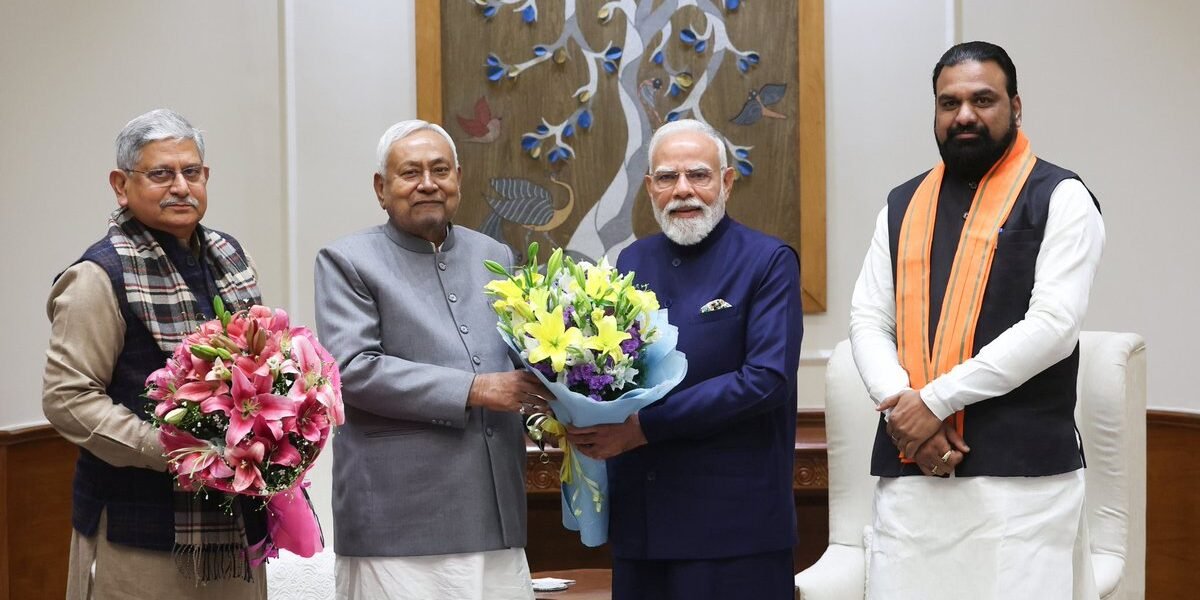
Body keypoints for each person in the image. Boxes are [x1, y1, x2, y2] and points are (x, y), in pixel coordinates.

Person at [849, 41, 1105, 599]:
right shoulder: (901, 203)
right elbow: (868, 319)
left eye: (982, 99)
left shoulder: (1060, 197)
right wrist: (904, 410)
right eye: (949, 102)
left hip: (1022, 486)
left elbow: (1053, 328)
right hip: (913, 471)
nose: (964, 114)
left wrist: (933, 402)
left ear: (1016, 107)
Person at [566, 119, 803, 600]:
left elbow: (765, 379)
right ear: (650, 188)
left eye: (698, 175)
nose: (684, 191)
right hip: (643, 526)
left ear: (727, 182)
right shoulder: (631, 263)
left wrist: (642, 428)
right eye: (667, 178)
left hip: (734, 533)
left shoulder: (768, 260)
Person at [314, 119, 549, 600]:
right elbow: (354, 370)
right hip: (398, 519)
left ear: (458, 180)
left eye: (440, 170)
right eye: (410, 173)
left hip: (496, 511)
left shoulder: (494, 256)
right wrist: (477, 389)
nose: (427, 183)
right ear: (382, 188)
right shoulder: (346, 260)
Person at [42, 109, 268, 599]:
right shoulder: (98, 277)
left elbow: (261, 368)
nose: (181, 187)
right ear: (121, 186)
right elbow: (68, 400)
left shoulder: (229, 257)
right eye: (161, 174)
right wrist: (175, 450)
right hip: (137, 534)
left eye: (192, 172)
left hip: (231, 526)